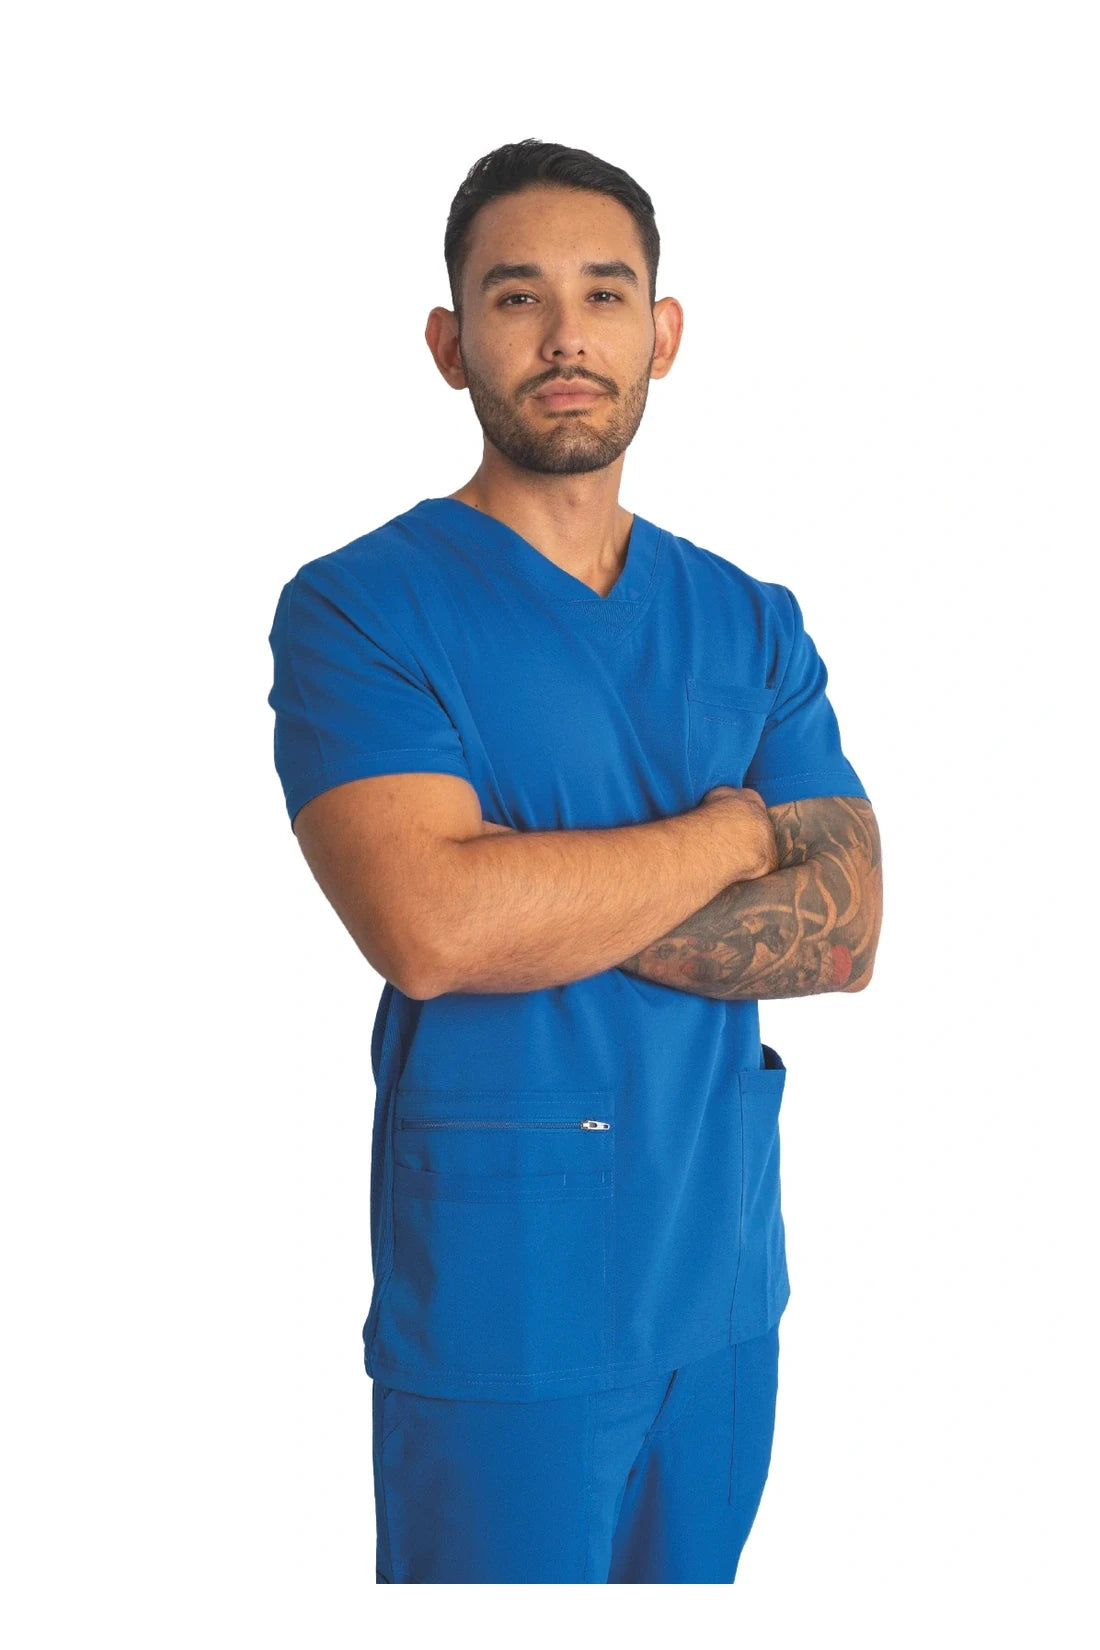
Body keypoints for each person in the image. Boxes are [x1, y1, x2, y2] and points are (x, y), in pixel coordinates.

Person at [266, 138, 883, 1584]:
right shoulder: (362, 611)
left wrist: (529, 893)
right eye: (516, 296)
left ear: (662, 335)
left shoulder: (750, 617)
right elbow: (430, 926)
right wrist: (734, 835)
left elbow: (847, 931)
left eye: (605, 295)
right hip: (510, 1307)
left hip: (723, 1289)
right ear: (449, 343)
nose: (564, 336)